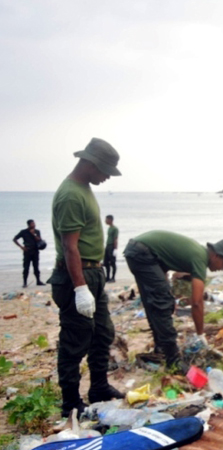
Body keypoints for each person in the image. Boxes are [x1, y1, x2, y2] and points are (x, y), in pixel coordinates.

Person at [47, 138, 123, 417]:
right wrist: (80, 287)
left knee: (103, 333)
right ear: (90, 164)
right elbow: (69, 246)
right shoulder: (70, 195)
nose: (106, 177)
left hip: (95, 272)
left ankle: (99, 387)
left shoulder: (84, 189)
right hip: (76, 276)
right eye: (104, 171)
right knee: (74, 341)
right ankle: (70, 403)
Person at [124, 231, 223, 371]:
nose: (222, 268)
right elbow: (197, 302)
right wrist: (200, 334)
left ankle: (160, 350)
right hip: (143, 253)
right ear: (216, 255)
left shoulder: (197, 253)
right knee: (162, 304)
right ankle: (173, 360)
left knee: (153, 303)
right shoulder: (200, 259)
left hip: (137, 251)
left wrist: (167, 293)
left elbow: (163, 264)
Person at [13, 219, 45, 287]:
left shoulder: (37, 231)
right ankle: (25, 283)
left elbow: (39, 240)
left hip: (35, 251)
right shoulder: (23, 232)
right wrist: (21, 247)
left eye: (34, 223)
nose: (34, 225)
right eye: (32, 224)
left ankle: (38, 281)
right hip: (27, 251)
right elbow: (15, 239)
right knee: (26, 267)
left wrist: (33, 234)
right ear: (29, 225)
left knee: (36, 267)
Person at [103, 215, 119, 282]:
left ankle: (113, 277)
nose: (105, 221)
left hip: (112, 246)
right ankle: (107, 277)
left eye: (106, 219)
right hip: (107, 245)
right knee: (106, 262)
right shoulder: (109, 228)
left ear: (110, 220)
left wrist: (115, 249)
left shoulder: (115, 229)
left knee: (112, 262)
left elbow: (115, 239)